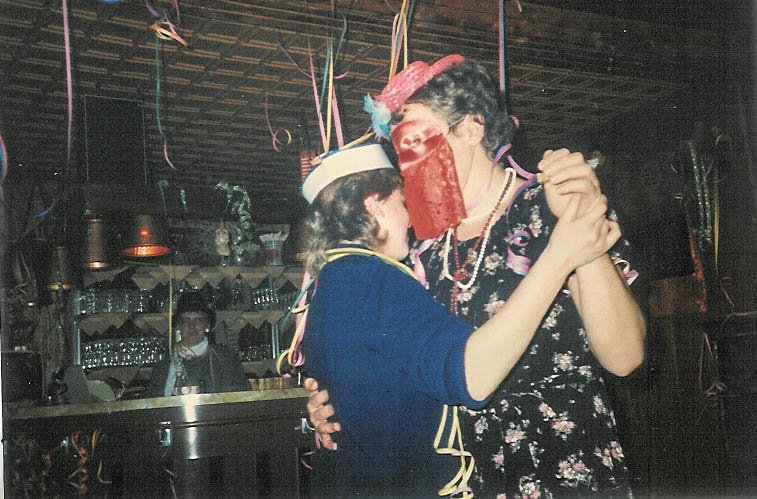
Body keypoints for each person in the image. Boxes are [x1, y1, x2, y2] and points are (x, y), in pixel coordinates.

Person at [306, 54, 647, 498]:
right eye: (398, 150)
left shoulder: (547, 206)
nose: (406, 165)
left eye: (415, 139)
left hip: (555, 457)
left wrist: (576, 223)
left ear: (471, 128)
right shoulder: (418, 244)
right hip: (458, 473)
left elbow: (624, 357)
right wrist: (330, 409)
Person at [145, 291, 249, 397]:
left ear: (207, 325)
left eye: (198, 320)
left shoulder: (226, 359)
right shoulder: (164, 366)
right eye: (186, 321)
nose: (192, 326)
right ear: (178, 326)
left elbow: (240, 398)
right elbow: (154, 402)